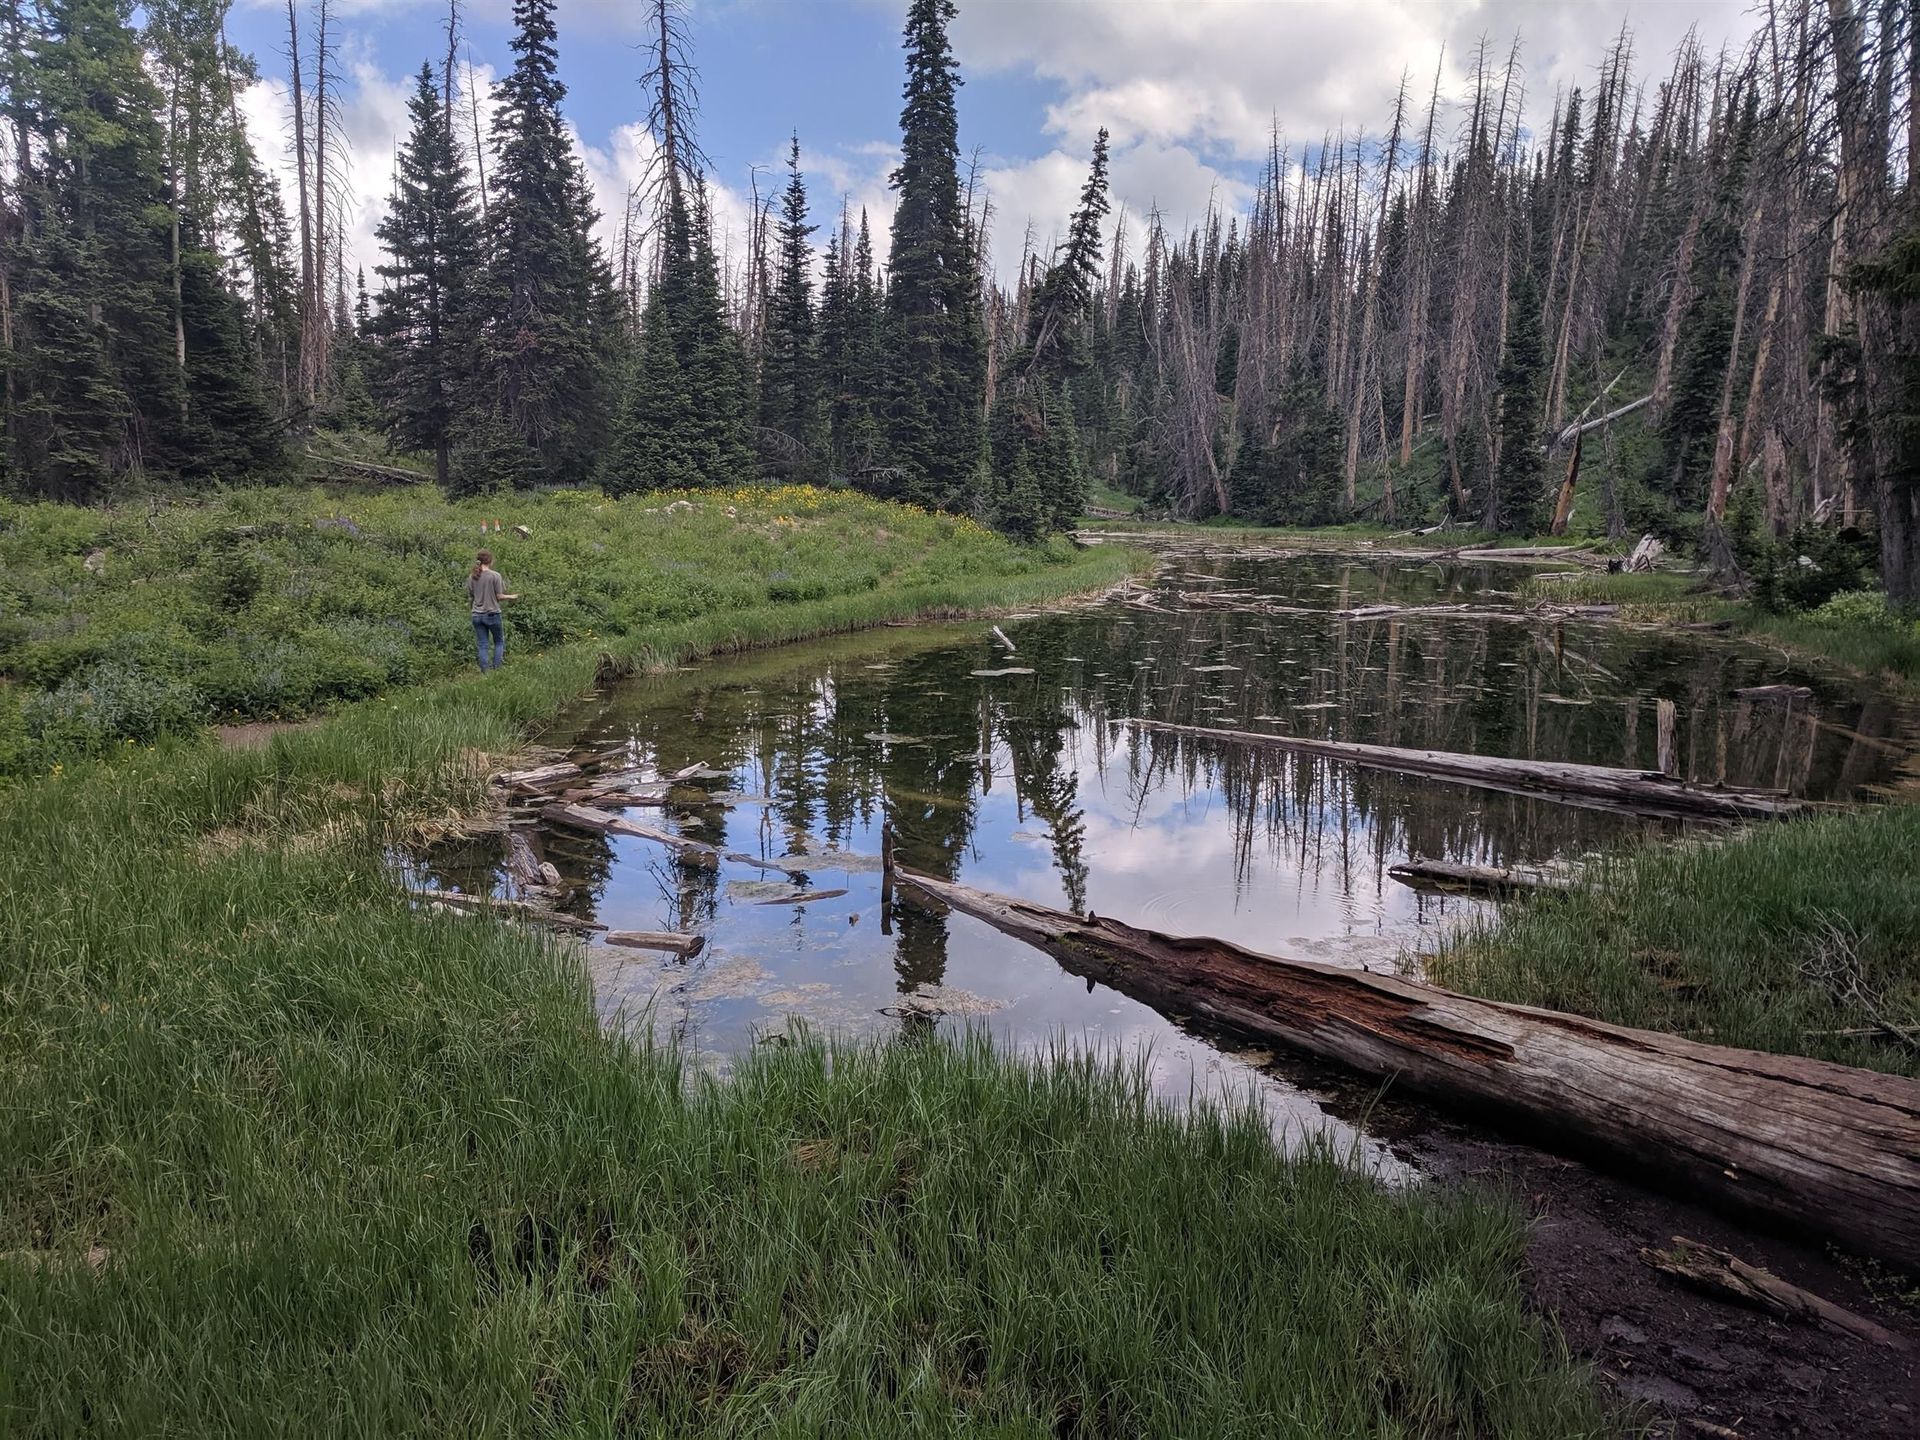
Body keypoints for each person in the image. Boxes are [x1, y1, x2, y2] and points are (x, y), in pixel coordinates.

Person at [467, 551, 517, 671]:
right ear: (490, 561)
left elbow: (471, 595)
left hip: (476, 614)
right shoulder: (495, 576)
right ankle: (497, 668)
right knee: (499, 641)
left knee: (483, 644)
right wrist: (512, 596)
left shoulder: (472, 576)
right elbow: (499, 596)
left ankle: (485, 671)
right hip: (492, 613)